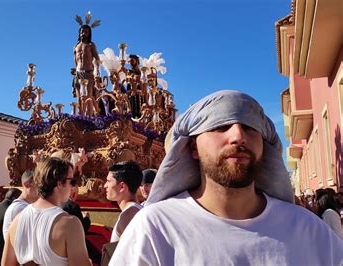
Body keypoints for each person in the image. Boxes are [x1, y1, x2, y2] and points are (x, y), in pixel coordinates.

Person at [110, 90, 343, 265]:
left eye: (251, 128)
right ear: (192, 148)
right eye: (220, 126)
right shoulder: (154, 229)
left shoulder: (308, 229)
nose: (238, 136)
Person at [1, 157, 91, 266]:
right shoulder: (70, 224)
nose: (73, 186)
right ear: (59, 183)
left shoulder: (16, 221)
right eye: (71, 181)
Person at [104, 161, 143, 242]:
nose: (105, 186)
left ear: (122, 186)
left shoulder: (128, 215)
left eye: (108, 181)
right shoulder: (136, 210)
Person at [2, 170, 39, 240]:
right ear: (27, 185)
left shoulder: (24, 207)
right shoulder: (20, 209)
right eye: (38, 184)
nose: (42, 188)